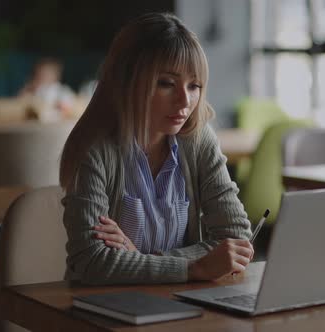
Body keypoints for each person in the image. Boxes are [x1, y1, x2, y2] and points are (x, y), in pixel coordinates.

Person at [59, 13, 253, 285]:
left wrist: (143, 258)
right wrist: (194, 268)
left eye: (194, 85)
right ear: (128, 80)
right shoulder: (96, 151)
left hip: (179, 303)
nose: (185, 100)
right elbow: (91, 262)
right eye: (167, 84)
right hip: (102, 309)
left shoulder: (198, 140)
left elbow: (236, 242)